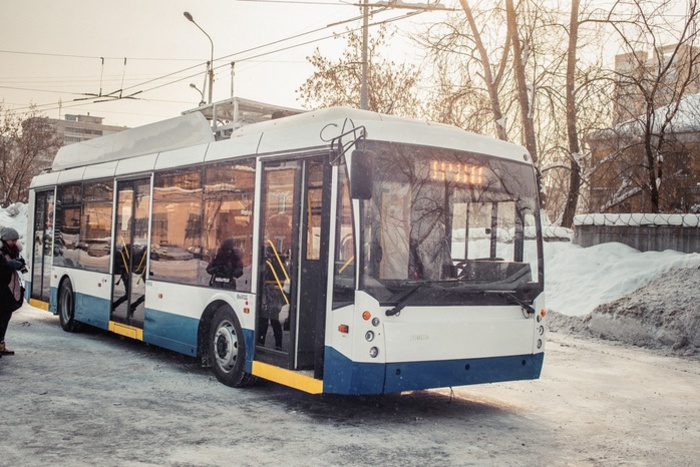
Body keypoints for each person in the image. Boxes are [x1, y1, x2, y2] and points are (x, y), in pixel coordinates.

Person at [0, 227, 27, 356]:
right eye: (12, 240)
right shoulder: (1, 251)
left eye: (16, 240)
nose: (14, 242)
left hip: (9, 289)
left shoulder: (13, 251)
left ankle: (1, 344)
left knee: (5, 317)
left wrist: (20, 264)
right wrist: (8, 265)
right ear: (5, 239)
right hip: (2, 289)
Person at [258, 246, 284, 350]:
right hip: (274, 294)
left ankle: (261, 342)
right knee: (274, 320)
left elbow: (264, 276)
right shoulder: (277, 263)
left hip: (269, 294)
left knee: (265, 320)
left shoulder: (268, 263)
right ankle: (278, 344)